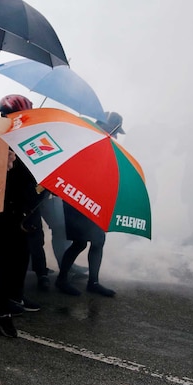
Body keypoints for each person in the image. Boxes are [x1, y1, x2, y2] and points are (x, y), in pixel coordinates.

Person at [0, 95, 43, 338]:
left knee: (21, 256)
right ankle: (1, 310)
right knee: (2, 262)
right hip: (0, 211)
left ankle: (14, 297)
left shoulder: (28, 138)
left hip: (21, 210)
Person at [55, 112, 124, 298]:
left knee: (95, 241)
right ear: (107, 127)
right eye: (115, 132)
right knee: (81, 242)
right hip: (78, 198)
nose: (116, 136)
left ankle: (91, 282)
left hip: (90, 199)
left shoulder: (100, 143)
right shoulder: (87, 141)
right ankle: (64, 279)